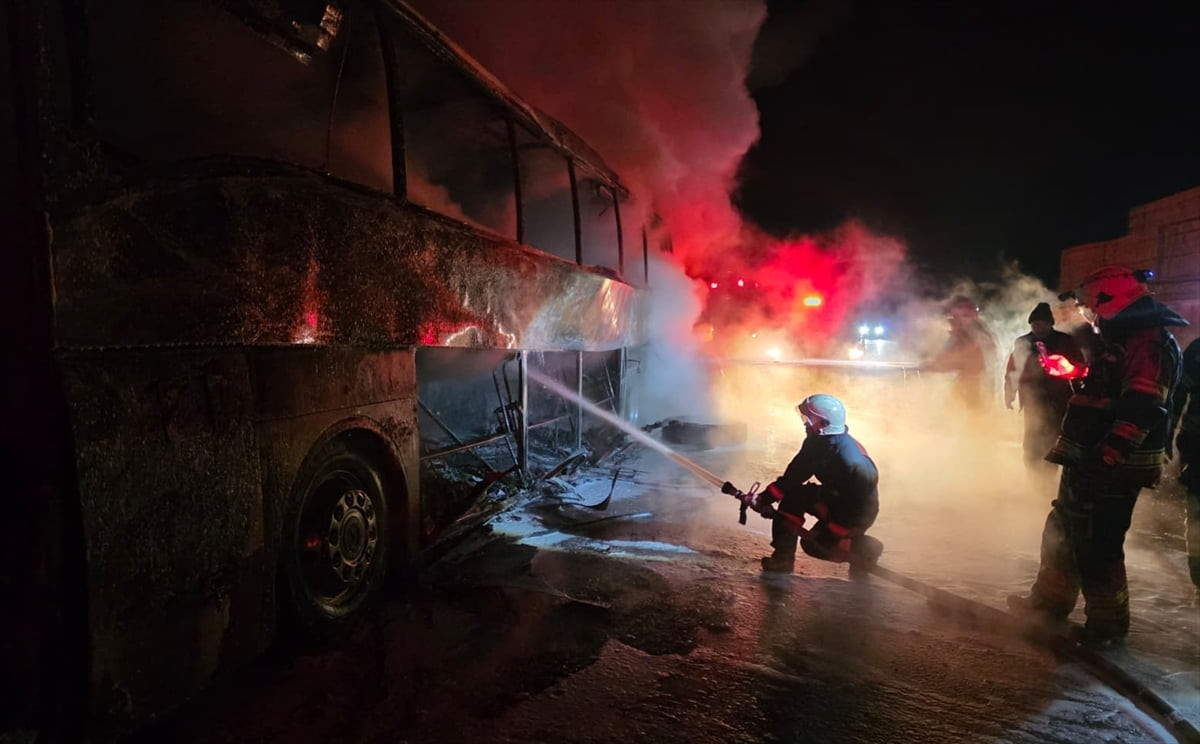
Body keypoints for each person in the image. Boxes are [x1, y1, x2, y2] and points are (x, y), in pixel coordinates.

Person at [1008, 265, 1187, 645]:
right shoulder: (1122, 341)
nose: (1089, 316)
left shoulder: (1149, 343)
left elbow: (1142, 406)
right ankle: (1049, 605)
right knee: (1062, 529)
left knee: (1098, 543)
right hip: (1088, 457)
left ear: (1115, 301)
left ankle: (1107, 626)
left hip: (1115, 464)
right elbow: (1109, 393)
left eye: (1093, 308)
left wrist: (1107, 456)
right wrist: (1075, 374)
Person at [737, 394, 883, 576]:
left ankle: (864, 549)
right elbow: (794, 476)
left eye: (808, 419)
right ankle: (785, 558)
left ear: (823, 424)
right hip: (838, 498)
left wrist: (835, 532)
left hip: (851, 513)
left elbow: (791, 480)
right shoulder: (826, 442)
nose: (804, 424)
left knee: (813, 545)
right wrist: (764, 499)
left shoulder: (843, 458)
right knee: (796, 496)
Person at [1004, 302, 1085, 477]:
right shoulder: (1023, 342)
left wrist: (1064, 367)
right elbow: (1013, 369)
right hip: (1032, 398)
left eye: (1041, 323)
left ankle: (1049, 476)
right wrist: (1009, 392)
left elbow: (1080, 368)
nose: (1037, 327)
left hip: (1059, 398)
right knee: (1032, 441)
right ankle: (1033, 477)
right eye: (1034, 324)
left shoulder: (1065, 341)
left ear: (1050, 324)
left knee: (1053, 440)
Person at [923, 295, 1000, 411]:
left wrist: (935, 366)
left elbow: (968, 359)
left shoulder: (981, 336)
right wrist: (932, 365)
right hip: (963, 389)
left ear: (974, 315)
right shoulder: (957, 336)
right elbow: (944, 357)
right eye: (955, 316)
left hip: (978, 392)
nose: (959, 321)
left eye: (965, 316)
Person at [1172, 336, 1200, 590]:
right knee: (1197, 506)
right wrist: (1166, 435)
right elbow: (1179, 393)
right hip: (1197, 444)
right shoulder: (1197, 351)